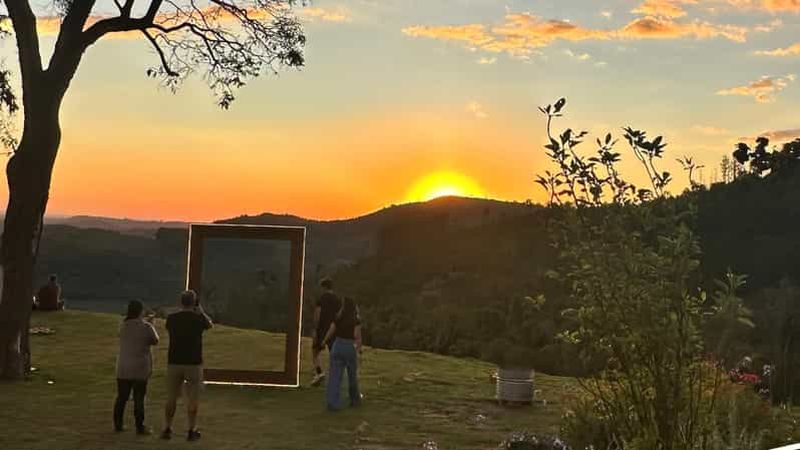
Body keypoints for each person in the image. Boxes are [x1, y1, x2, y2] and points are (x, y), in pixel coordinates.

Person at [161, 290, 213, 442]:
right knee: (193, 398)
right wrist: (201, 311)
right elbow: (210, 324)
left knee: (171, 397)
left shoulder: (172, 319)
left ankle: (167, 428)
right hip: (193, 363)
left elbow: (169, 327)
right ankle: (191, 429)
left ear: (181, 302)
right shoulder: (198, 319)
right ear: (194, 302)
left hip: (174, 362)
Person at [114, 300, 159, 434]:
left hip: (123, 366)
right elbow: (155, 340)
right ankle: (140, 426)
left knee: (122, 397)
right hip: (140, 367)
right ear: (140, 311)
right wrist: (151, 324)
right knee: (139, 398)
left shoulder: (123, 325)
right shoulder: (146, 327)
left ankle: (118, 424)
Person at [322, 296, 362, 411]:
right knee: (352, 375)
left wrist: (324, 341)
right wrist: (359, 349)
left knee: (334, 376)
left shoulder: (338, 317)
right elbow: (357, 336)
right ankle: (355, 400)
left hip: (337, 345)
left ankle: (332, 403)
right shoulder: (356, 319)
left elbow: (331, 330)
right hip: (349, 346)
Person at [311, 277, 341, 386]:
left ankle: (319, 373)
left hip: (322, 329)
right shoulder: (337, 300)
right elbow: (339, 316)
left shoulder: (321, 299)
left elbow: (317, 314)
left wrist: (315, 329)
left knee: (315, 351)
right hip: (334, 330)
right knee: (333, 353)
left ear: (323, 287)